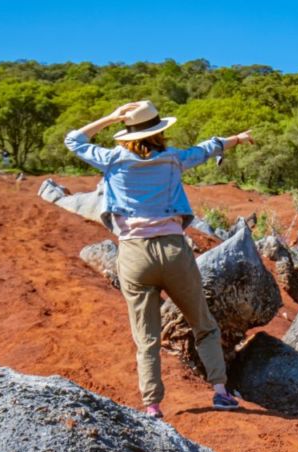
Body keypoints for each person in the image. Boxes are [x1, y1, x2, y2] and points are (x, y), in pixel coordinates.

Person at [64, 100, 254, 419]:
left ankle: (152, 406)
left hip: (134, 253)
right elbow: (209, 147)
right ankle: (221, 392)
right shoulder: (173, 159)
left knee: (146, 336)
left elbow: (74, 140)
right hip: (174, 250)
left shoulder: (111, 159)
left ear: (128, 132)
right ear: (159, 131)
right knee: (203, 324)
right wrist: (237, 138)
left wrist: (111, 117)